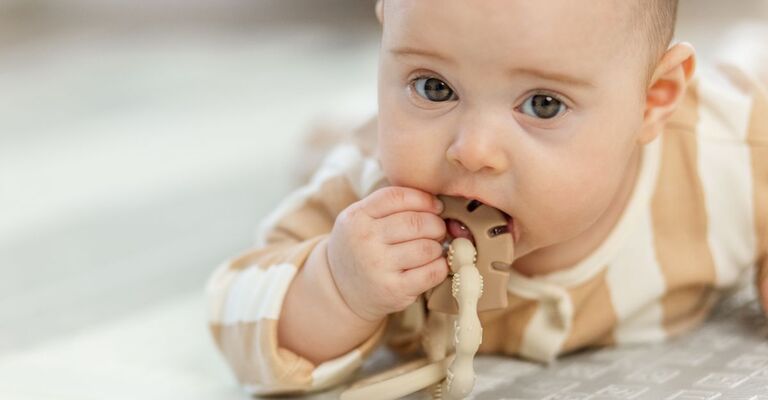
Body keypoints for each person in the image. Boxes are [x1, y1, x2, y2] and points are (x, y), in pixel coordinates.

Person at [206, 0, 768, 396]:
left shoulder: (730, 154)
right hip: (353, 145)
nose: (471, 151)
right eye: (433, 87)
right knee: (331, 146)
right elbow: (238, 310)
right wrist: (338, 284)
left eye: (543, 105)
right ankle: (332, 127)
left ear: (653, 101)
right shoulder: (368, 193)